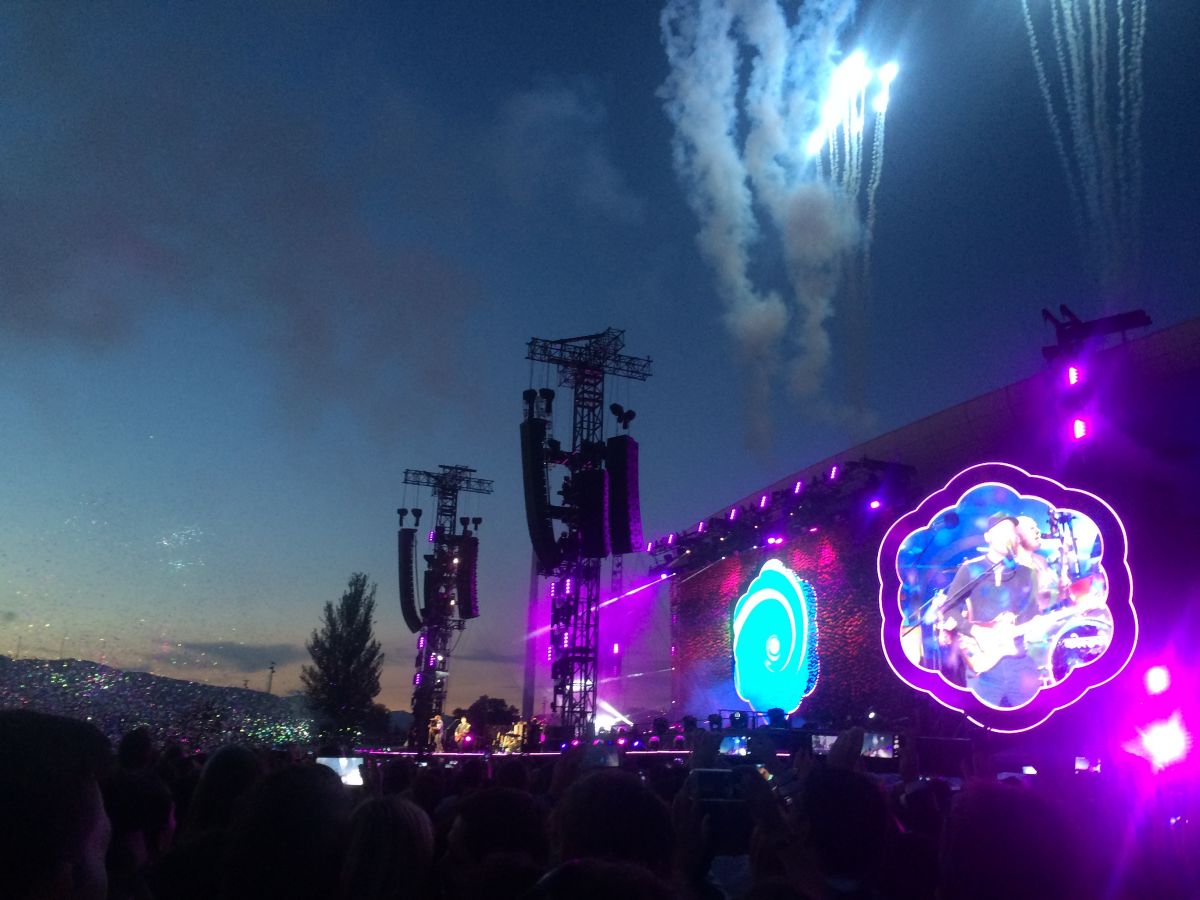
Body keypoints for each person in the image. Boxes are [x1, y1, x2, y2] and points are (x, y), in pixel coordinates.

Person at [940, 514, 1042, 707]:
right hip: (983, 666)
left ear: (1017, 538)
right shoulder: (971, 569)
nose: (1007, 535)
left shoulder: (1026, 573)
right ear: (988, 537)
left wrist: (1036, 623)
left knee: (1033, 718)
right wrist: (974, 630)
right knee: (980, 722)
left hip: (1019, 663)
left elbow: (1032, 615)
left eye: (1011, 532)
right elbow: (948, 610)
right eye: (1001, 530)